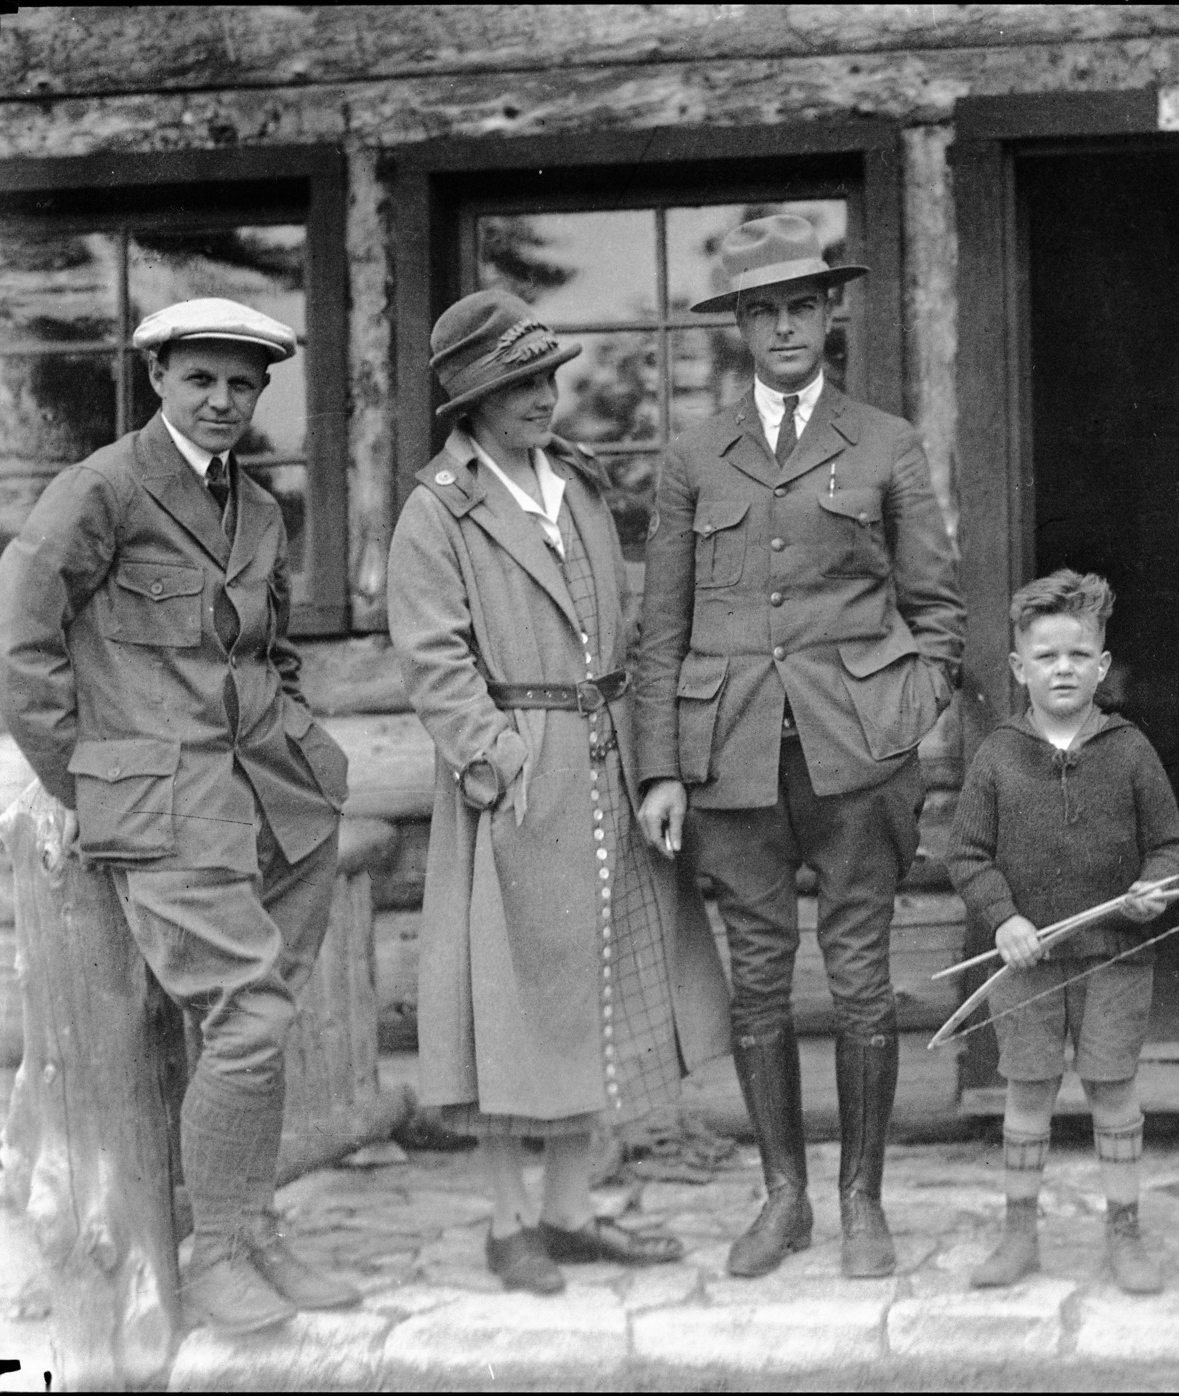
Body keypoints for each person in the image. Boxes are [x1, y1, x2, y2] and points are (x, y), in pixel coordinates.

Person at [0, 298, 358, 1333]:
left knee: (260, 1014)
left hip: (277, 800)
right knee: (249, 1014)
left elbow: (271, 650)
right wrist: (85, 782)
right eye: (200, 378)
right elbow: (19, 639)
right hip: (161, 804)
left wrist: (301, 742)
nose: (221, 401)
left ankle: (254, 1232)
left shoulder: (259, 509)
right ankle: (216, 1253)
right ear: (157, 377)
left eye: (242, 384)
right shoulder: (103, 488)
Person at [634, 214, 965, 1279]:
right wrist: (658, 767)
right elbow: (662, 625)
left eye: (800, 306)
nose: (782, 326)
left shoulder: (884, 442)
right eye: (761, 310)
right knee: (759, 985)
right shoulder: (694, 456)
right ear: (738, 327)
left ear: (830, 315)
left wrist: (901, 716)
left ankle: (862, 1201)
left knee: (862, 981)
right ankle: (784, 1198)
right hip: (730, 759)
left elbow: (938, 611)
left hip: (857, 762)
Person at [387, 290, 730, 1295]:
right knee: (507, 1004)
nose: (542, 398)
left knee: (593, 988)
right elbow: (433, 660)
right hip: (517, 775)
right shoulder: (438, 510)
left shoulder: (575, 485)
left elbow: (622, 625)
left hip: (605, 760)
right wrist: (498, 763)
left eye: (546, 379)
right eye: (517, 386)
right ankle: (508, 1224)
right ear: (471, 401)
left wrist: (647, 759)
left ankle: (571, 1212)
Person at [946, 570, 1179, 1295]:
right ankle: (1019, 1234)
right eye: (1046, 656)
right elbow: (967, 855)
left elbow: (1168, 848)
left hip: (1115, 957)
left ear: (1102, 666)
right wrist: (1006, 918)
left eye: (1079, 655)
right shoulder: (997, 754)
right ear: (1018, 668)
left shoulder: (1131, 750)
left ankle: (1125, 1233)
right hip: (1025, 965)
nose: (1063, 669)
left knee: (1112, 1090)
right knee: (1028, 1093)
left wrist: (1156, 888)